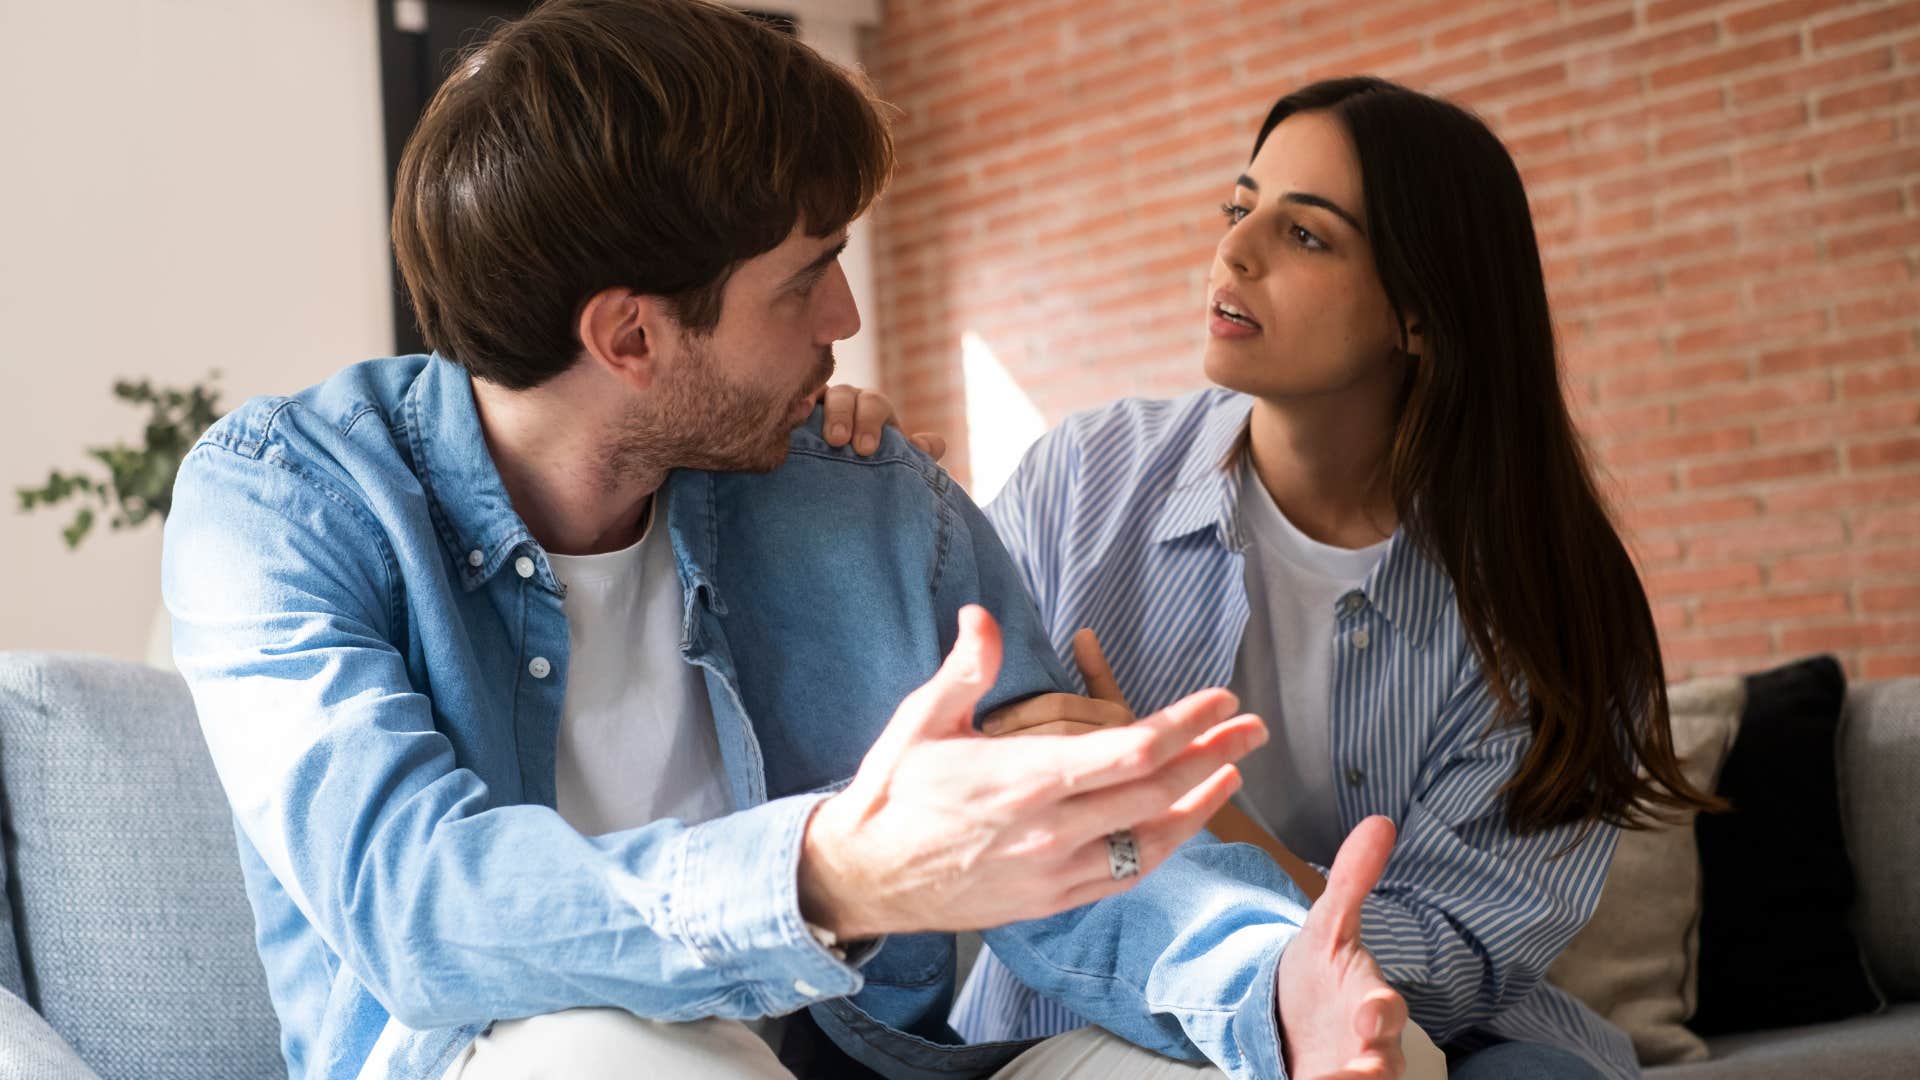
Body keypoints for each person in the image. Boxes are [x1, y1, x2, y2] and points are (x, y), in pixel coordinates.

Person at [160, 6, 1413, 1079]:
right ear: (631, 340)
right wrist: (837, 872)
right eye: (806, 277)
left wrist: (1268, 981)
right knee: (612, 1054)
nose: (848, 316)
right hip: (518, 1058)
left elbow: (1066, 844)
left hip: (861, 1062)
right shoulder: (286, 503)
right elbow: (416, 903)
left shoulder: (857, 488)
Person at [938, 76, 1722, 1080]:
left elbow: (1447, 967)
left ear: (1421, 315)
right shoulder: (1084, 481)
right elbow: (949, 788)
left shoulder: (1551, 601)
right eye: (1240, 206)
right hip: (1090, 1010)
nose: (1235, 250)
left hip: (1425, 1035)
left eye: (1306, 236)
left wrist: (1187, 805)